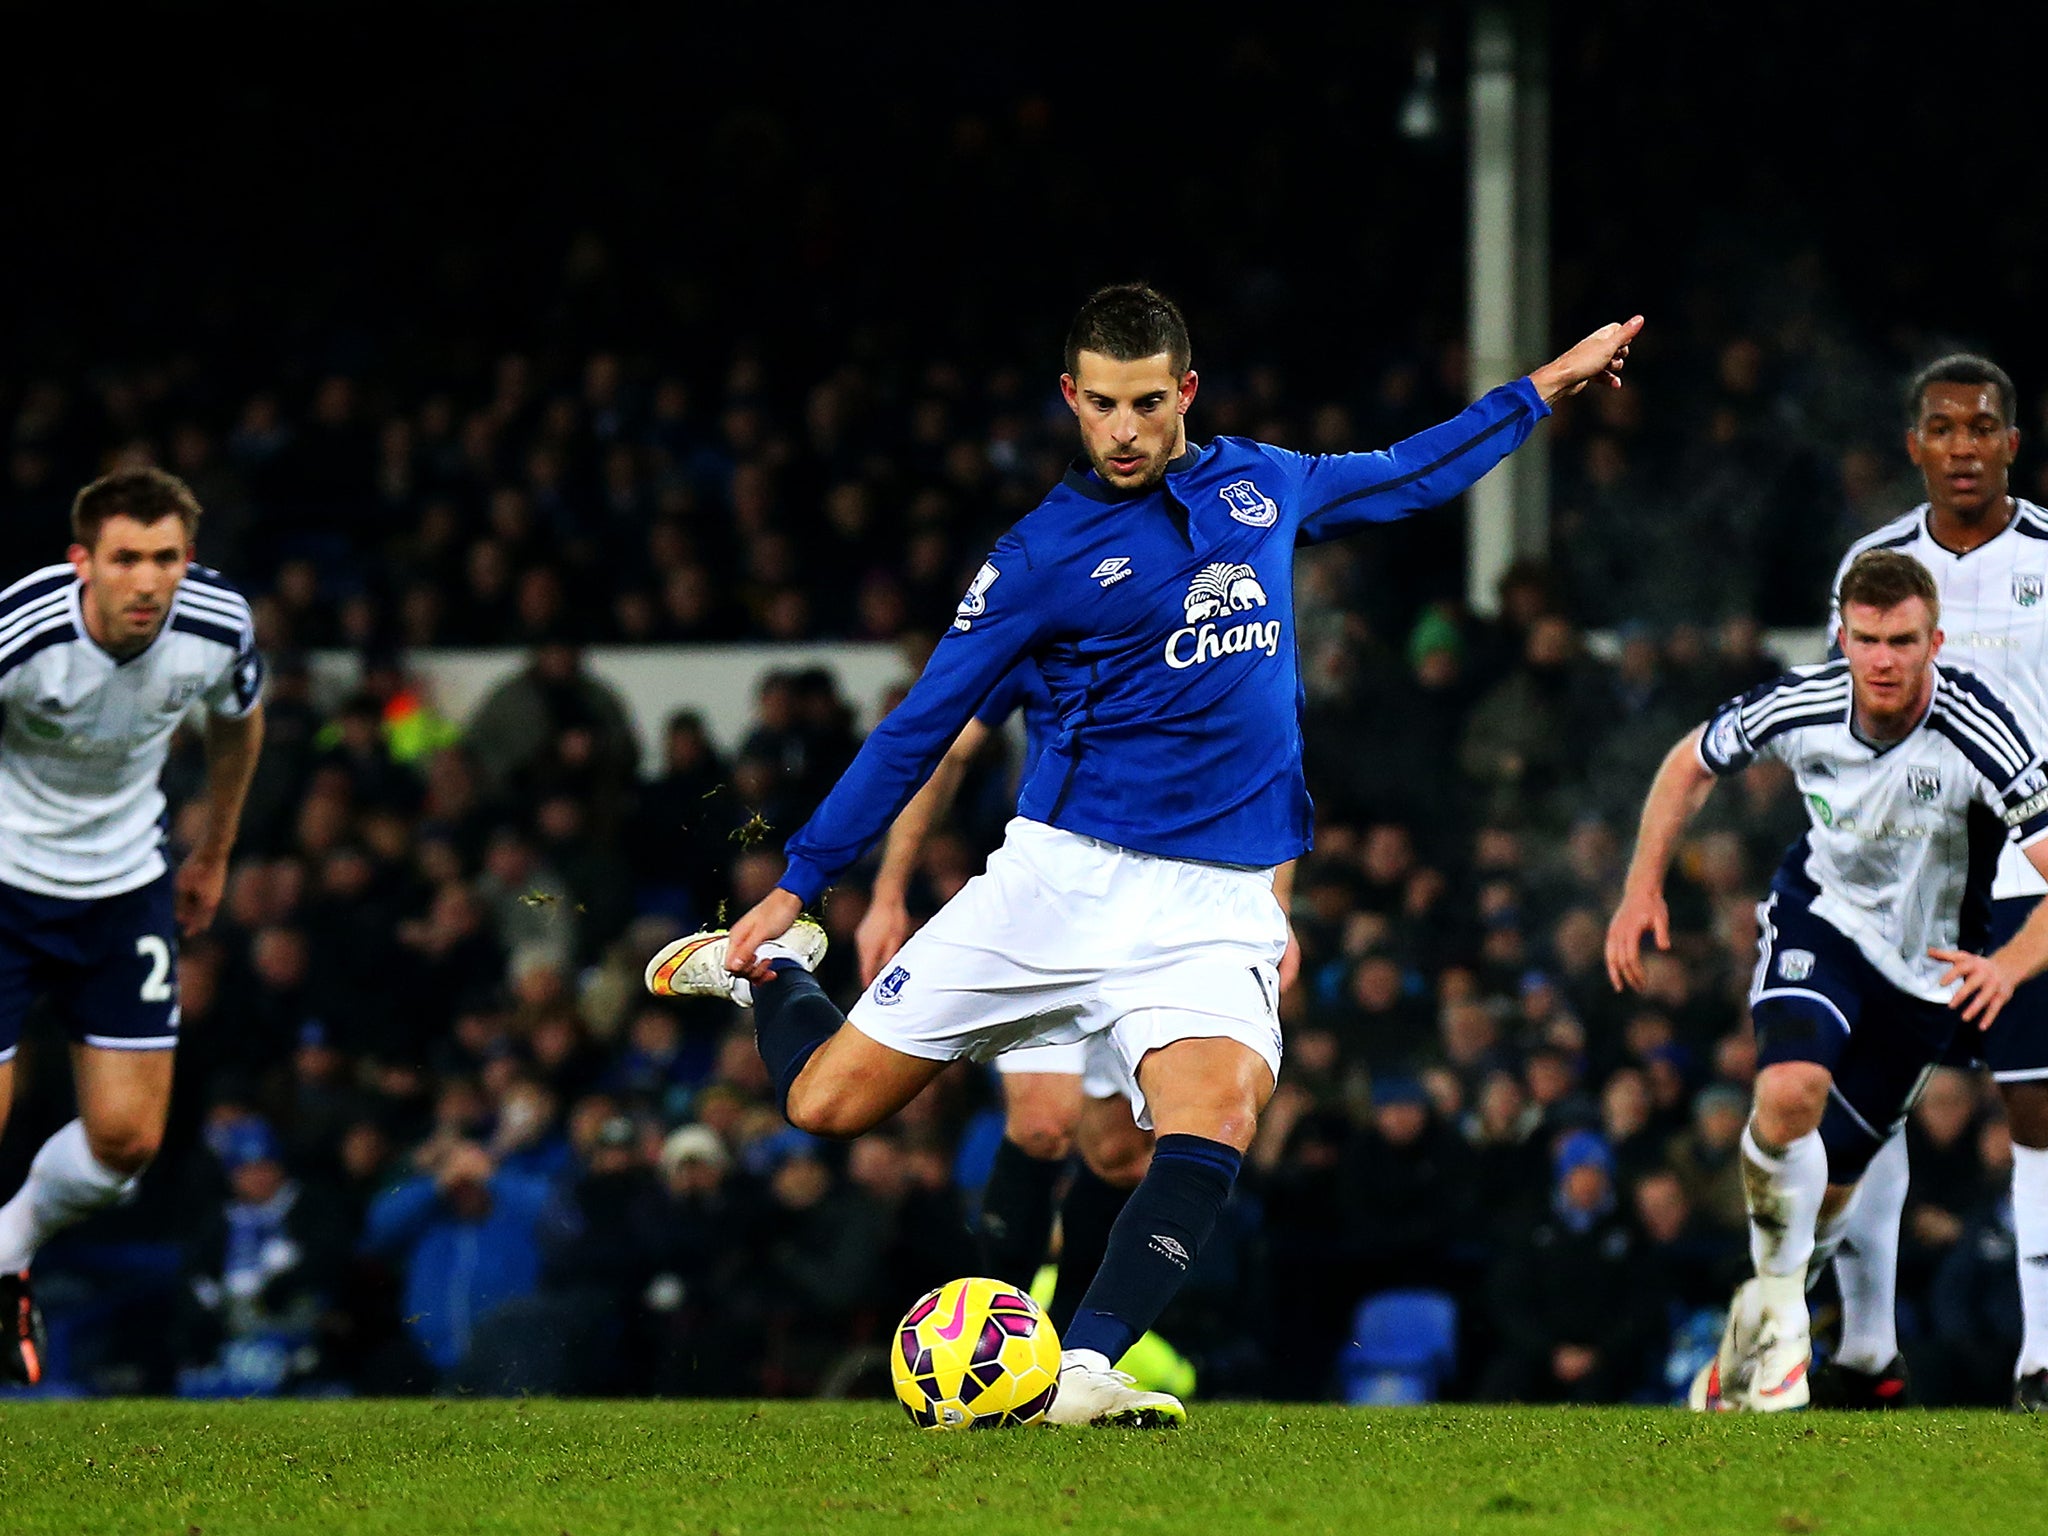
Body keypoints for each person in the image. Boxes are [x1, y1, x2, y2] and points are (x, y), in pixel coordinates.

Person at [649, 284, 1640, 1426]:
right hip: (1060, 883)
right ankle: (767, 976)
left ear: (1187, 394)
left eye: (1147, 403)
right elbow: (919, 726)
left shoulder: (1259, 484)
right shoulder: (1035, 561)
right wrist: (796, 886)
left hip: (1212, 901)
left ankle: (1079, 1366)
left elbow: (1407, 470)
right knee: (825, 1106)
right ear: (1070, 399)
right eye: (1102, 405)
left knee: (1211, 1116)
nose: (1123, 429)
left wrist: (1543, 388)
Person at [1605, 549, 2048, 1411]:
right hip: (1823, 923)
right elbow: (1688, 763)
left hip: (1926, 975)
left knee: (1834, 1184)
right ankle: (1776, 1308)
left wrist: (2010, 963)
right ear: (1841, 637)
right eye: (1868, 639)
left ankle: (1767, 1314)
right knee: (1790, 1090)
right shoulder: (1801, 702)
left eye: (1904, 641)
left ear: (1935, 641)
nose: (1884, 660)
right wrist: (1640, 886)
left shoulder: (1984, 731)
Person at [1818, 355, 2048, 1412]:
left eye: (1982, 426)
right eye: (1942, 428)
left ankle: (2038, 1357)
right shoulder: (1872, 561)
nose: (1962, 444)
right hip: (1906, 866)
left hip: (2021, 868)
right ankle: (1866, 1351)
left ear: (2011, 441)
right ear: (1913, 445)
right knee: (1876, 1102)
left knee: (2035, 1100)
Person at [0, 468, 266, 1385]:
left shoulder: (216, 624)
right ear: (84, 562)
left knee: (124, 1145)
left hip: (122, 890)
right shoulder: (22, 632)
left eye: (165, 559)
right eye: (125, 559)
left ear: (187, 560)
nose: (147, 581)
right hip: (4, 884)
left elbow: (240, 723)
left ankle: (7, 1253)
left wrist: (215, 851)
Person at [852, 659, 1158, 1330]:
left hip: (1154, 909)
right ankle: (995, 1335)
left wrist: (1272, 904)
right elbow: (945, 752)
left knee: (1119, 1154)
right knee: (1045, 1124)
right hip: (1046, 908)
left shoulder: (1192, 630)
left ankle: (1076, 1355)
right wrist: (888, 890)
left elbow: (1265, 757)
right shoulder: (1040, 625)